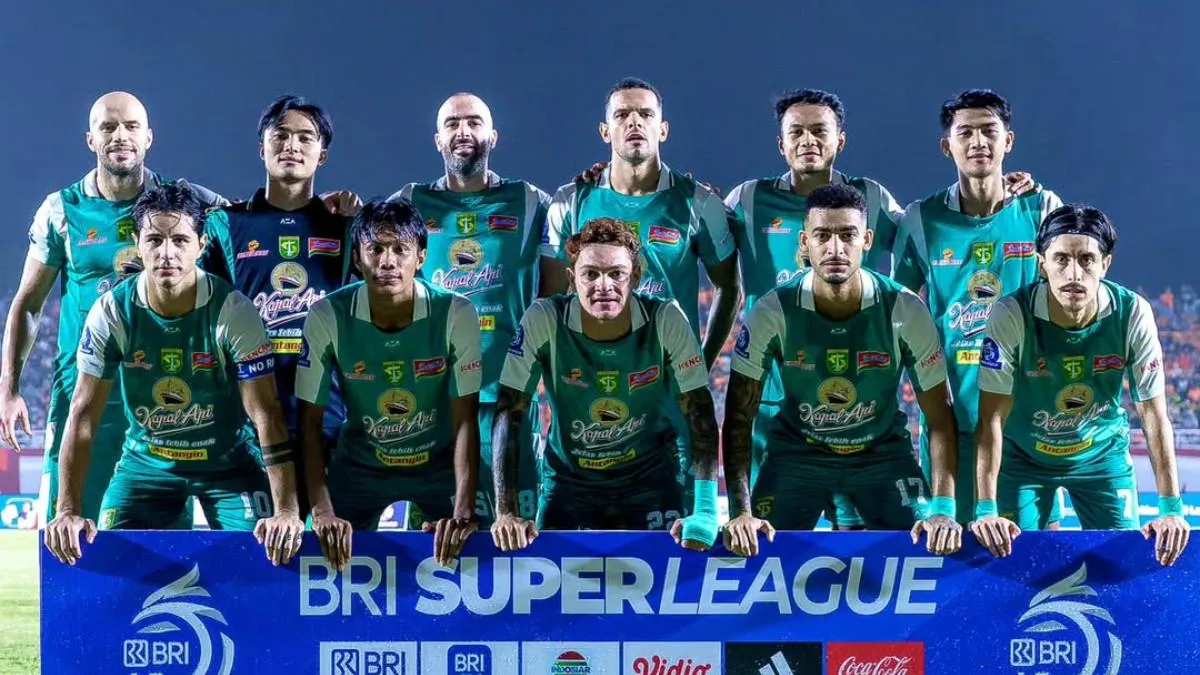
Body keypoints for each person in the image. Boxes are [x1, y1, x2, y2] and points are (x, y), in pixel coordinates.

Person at [42, 183, 303, 566]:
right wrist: (67, 510)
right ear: (137, 243)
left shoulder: (233, 311)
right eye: (154, 240)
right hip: (145, 465)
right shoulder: (111, 311)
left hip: (229, 465)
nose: (167, 253)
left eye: (180, 240)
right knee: (108, 559)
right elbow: (82, 416)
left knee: (266, 560)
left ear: (200, 245)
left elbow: (266, 415)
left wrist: (286, 510)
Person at [1, 91, 225, 528]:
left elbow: (254, 220)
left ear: (148, 137)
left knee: (162, 542)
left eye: (131, 126)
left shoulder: (184, 204)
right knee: (70, 529)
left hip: (165, 394)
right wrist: (9, 390)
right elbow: (28, 303)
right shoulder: (61, 209)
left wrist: (322, 208)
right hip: (82, 391)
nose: (120, 135)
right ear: (91, 139)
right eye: (108, 127)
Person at [722, 184, 961, 557]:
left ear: (867, 240)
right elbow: (738, 417)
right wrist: (740, 512)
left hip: (881, 454)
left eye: (848, 235)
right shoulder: (773, 310)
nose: (835, 249)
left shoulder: (904, 308)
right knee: (754, 549)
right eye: (822, 236)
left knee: (931, 547)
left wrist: (944, 510)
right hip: (798, 454)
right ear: (805, 242)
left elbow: (941, 416)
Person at [541, 77, 740, 512]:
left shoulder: (699, 202)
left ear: (662, 129)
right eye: (622, 115)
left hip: (665, 389)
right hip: (587, 384)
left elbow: (730, 286)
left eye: (646, 114)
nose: (634, 122)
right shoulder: (570, 201)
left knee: (676, 526)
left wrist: (700, 360)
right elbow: (549, 299)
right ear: (605, 131)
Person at [974, 204, 1190, 566]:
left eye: (1087, 259)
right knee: (1011, 562)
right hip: (1024, 459)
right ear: (1041, 263)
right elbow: (990, 419)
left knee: (1122, 564)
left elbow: (1154, 416)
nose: (1073, 273)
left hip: (1101, 458)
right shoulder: (1011, 314)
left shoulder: (1132, 312)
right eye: (1061, 259)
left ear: (1106, 264)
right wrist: (985, 510)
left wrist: (1171, 509)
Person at [491, 217, 721, 552]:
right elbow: (508, 411)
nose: (604, 285)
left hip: (651, 478)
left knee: (668, 578)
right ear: (571, 279)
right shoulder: (544, 318)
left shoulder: (665, 318)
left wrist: (706, 510)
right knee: (555, 577)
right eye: (590, 274)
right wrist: (506, 512)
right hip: (570, 482)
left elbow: (700, 413)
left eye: (616, 273)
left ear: (635, 277)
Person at [892, 89, 1064, 526]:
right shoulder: (920, 219)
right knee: (951, 542)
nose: (978, 142)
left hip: (1030, 420)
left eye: (989, 131)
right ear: (946, 146)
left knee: (1033, 550)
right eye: (965, 133)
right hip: (953, 418)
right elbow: (897, 314)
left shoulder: (1042, 208)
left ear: (1009, 140)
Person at [389, 92, 550, 528]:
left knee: (518, 533)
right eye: (453, 124)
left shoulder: (530, 201)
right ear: (437, 140)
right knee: (435, 537)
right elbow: (370, 259)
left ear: (493, 137)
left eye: (475, 122)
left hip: (509, 397)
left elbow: (556, 291)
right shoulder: (409, 201)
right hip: (434, 400)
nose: (464, 131)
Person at [296, 199, 482, 569]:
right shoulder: (327, 314)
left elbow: (465, 420)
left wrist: (462, 512)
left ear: (421, 257)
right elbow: (309, 422)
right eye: (375, 249)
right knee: (318, 554)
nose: (387, 262)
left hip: (439, 465)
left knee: (478, 547)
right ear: (357, 258)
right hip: (361, 465)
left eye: (400, 249)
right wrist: (322, 512)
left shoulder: (456, 312)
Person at [202, 95, 359, 520]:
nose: (292, 145)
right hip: (247, 430)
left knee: (329, 549)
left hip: (328, 421)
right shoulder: (225, 225)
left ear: (322, 155)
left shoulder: (347, 227)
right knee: (257, 552)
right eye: (281, 135)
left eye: (306, 138)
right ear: (262, 148)